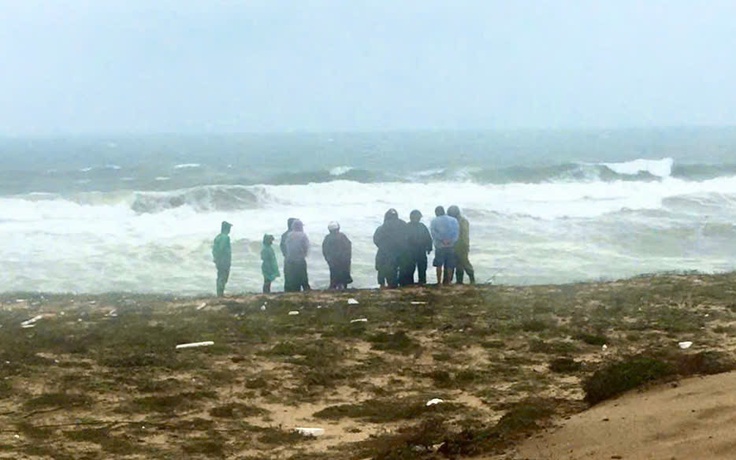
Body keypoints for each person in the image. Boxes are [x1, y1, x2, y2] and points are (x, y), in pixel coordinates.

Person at [373, 208, 408, 288]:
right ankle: (395, 285)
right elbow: (408, 237)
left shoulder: (382, 227)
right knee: (396, 270)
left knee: (381, 268)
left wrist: (382, 246)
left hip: (384, 251)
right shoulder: (403, 224)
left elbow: (376, 240)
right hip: (400, 252)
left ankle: (382, 285)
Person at [430, 206, 459, 285]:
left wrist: (442, 240)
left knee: (439, 264)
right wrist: (450, 241)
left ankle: (439, 282)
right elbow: (456, 233)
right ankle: (449, 282)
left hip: (440, 246)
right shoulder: (454, 220)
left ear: (436, 213)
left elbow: (433, 233)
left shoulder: (434, 221)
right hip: (451, 245)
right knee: (450, 265)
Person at [447, 205, 476, 284]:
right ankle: (459, 281)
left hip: (461, 245)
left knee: (464, 263)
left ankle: (472, 279)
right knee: (458, 264)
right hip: (456, 245)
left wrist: (465, 246)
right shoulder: (457, 221)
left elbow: (464, 235)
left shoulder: (462, 221)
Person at [405, 209, 433, 285]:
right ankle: (421, 282)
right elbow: (428, 238)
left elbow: (428, 238)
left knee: (416, 268)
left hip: (412, 251)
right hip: (417, 251)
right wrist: (429, 248)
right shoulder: (422, 226)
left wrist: (429, 247)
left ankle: (413, 282)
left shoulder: (407, 226)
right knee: (419, 268)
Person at [322, 221, 353, 289]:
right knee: (344, 275)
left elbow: (325, 250)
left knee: (333, 275)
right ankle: (343, 287)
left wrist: (328, 259)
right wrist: (347, 258)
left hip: (333, 261)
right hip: (343, 260)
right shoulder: (342, 236)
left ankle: (333, 287)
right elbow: (348, 247)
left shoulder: (327, 238)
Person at [284, 219, 311, 292]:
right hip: (300, 260)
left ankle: (295, 290)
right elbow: (306, 247)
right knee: (303, 276)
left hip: (290, 261)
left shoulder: (289, 235)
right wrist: (304, 255)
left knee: (294, 278)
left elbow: (286, 247)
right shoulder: (303, 235)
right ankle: (306, 290)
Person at [211, 221, 233, 297]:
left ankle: (219, 293)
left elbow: (214, 250)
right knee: (223, 276)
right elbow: (222, 248)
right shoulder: (226, 237)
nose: (230, 229)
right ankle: (220, 293)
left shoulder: (218, 237)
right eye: (229, 228)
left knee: (220, 276)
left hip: (219, 261)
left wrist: (216, 259)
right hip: (224, 260)